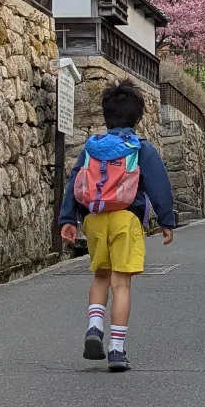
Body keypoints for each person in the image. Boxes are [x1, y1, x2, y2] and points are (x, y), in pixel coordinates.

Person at [58, 82, 177, 372]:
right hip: (126, 217)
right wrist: (166, 220)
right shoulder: (140, 148)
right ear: (137, 117)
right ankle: (116, 349)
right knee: (121, 283)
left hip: (95, 219)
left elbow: (75, 181)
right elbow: (158, 185)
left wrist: (68, 219)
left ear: (106, 115)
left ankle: (94, 327)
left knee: (101, 277)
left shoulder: (92, 148)